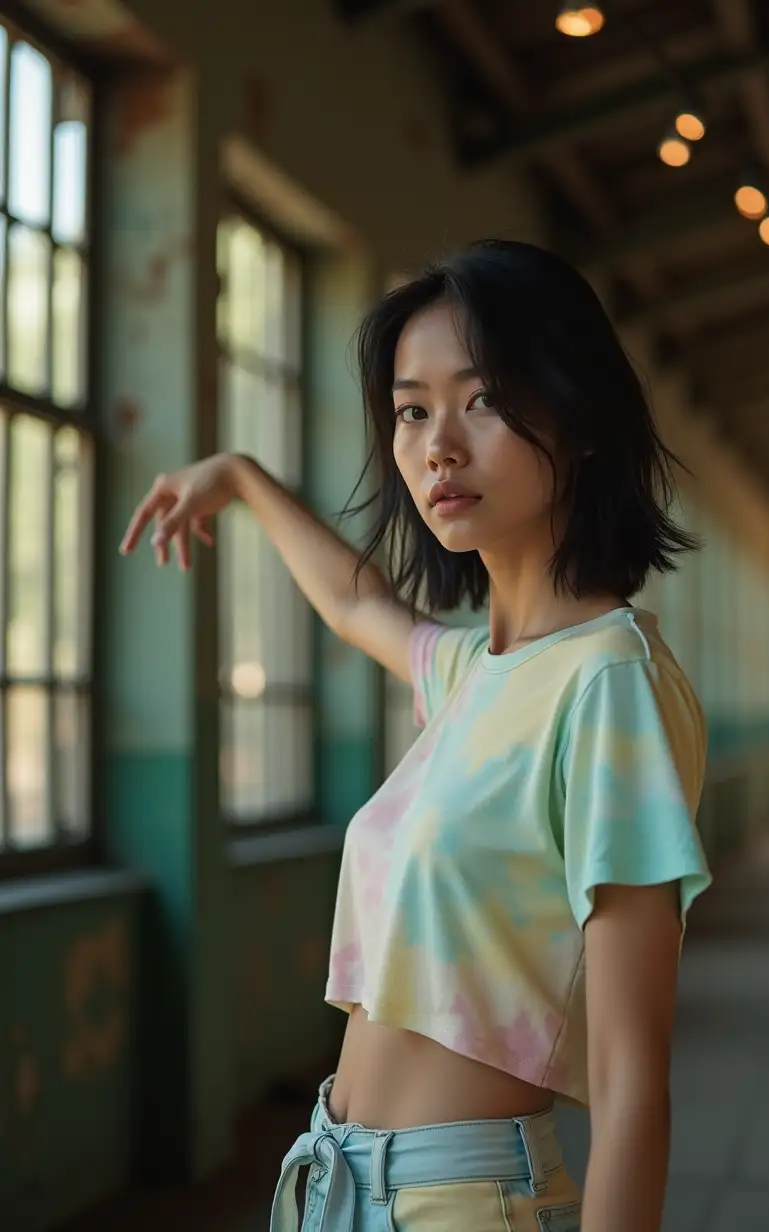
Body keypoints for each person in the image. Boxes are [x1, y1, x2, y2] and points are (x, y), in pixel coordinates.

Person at [120, 239, 712, 1232]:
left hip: (459, 1200)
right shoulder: (475, 671)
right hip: (332, 1179)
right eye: (410, 409)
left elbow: (632, 1076)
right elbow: (363, 609)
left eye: (480, 399)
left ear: (578, 414)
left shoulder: (609, 682)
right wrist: (243, 478)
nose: (438, 443)